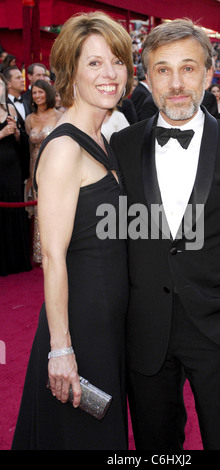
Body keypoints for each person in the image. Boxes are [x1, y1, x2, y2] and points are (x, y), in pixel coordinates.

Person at [110, 18, 220, 450]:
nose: (176, 82)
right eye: (163, 70)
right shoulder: (124, 145)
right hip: (146, 330)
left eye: (188, 68)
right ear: (146, 78)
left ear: (209, 74)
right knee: (156, 447)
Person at [11, 10, 134, 450]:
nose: (110, 73)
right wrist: (61, 348)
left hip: (109, 316)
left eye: (117, 60)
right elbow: (54, 257)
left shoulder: (103, 138)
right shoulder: (64, 147)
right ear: (71, 72)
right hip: (80, 320)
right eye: (94, 62)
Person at [25, 79, 62, 265]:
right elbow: (29, 147)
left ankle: (58, 250)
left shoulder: (59, 115)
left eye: (40, 92)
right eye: (34, 93)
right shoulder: (29, 119)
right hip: (35, 167)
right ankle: (41, 253)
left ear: (48, 93)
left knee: (56, 207)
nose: (37, 96)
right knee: (40, 210)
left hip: (55, 165)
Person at [0, 73, 31, 276]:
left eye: (1, 85)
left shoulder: (9, 109)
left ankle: (17, 260)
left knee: (14, 207)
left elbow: (21, 141)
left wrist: (18, 135)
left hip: (13, 168)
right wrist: (2, 134)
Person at [3, 66, 31, 183]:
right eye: (18, 78)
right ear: (8, 84)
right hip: (8, 163)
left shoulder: (29, 103)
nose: (23, 80)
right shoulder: (4, 106)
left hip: (26, 163)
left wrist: (18, 134)